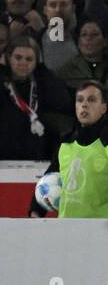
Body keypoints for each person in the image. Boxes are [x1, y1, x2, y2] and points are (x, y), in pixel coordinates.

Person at [30, 80, 108, 218]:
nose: (84, 105)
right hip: (66, 229)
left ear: (104, 108)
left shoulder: (105, 143)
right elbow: (50, 176)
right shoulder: (65, 142)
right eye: (80, 100)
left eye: (91, 100)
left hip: (101, 231)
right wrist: (36, 210)